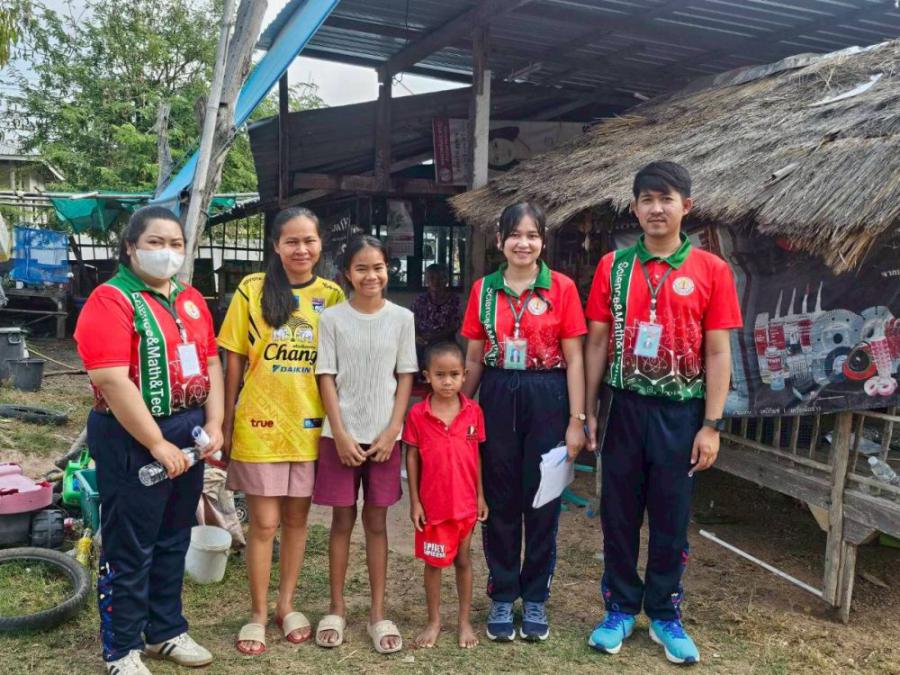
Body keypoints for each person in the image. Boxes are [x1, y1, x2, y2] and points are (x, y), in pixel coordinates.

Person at [584, 161, 742, 664]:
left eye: (666, 199)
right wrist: (587, 409)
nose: (656, 208)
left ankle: (665, 614)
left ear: (685, 206)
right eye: (647, 200)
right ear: (634, 208)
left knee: (671, 518)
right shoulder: (613, 267)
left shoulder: (712, 270)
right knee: (619, 514)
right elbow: (597, 343)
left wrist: (711, 425)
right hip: (622, 407)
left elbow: (718, 352)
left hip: (681, 412)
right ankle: (619, 609)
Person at [74, 206, 224, 675]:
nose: (167, 252)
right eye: (155, 242)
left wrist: (217, 423)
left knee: (174, 535)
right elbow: (112, 379)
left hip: (188, 429)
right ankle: (122, 648)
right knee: (131, 543)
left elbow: (211, 362)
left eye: (175, 243)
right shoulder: (111, 300)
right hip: (131, 435)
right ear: (130, 247)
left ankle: (165, 631)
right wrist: (157, 443)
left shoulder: (190, 298)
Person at [217, 207, 344, 655]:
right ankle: (256, 613)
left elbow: (337, 365)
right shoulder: (251, 290)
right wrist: (227, 422)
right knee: (264, 524)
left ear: (320, 244)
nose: (301, 249)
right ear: (276, 245)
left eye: (309, 240)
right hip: (258, 426)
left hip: (309, 429)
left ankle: (285, 605)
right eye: (292, 241)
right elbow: (233, 360)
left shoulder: (331, 296)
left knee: (296, 522)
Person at [460, 202, 588, 642]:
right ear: (500, 240)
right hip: (497, 393)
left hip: (548, 395)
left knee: (543, 499)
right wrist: (460, 411)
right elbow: (474, 357)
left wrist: (576, 420)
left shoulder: (562, 288)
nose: (523, 243)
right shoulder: (484, 290)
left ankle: (534, 596)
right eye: (515, 234)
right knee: (499, 498)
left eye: (532, 235)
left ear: (543, 241)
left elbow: (575, 359)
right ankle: (502, 592)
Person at [312, 235, 418, 654]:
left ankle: (377, 613)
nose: (371, 275)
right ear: (347, 274)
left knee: (376, 523)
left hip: (384, 439)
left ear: (388, 269)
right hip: (339, 436)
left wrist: (393, 430)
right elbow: (325, 375)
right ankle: (336, 608)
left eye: (378, 267)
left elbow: (406, 375)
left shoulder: (402, 318)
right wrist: (338, 432)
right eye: (361, 268)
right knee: (341, 521)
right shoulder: (332, 319)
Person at [404, 341, 489, 650]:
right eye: (440, 375)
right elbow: (411, 456)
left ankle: (464, 621)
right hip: (433, 506)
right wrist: (415, 501)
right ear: (427, 376)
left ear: (465, 375)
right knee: (434, 563)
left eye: (454, 374)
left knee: (463, 560)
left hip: (465, 505)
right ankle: (434, 621)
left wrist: (480, 496)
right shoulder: (418, 414)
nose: (448, 382)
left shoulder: (473, 412)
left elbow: (476, 455)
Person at [412, 263, 461, 367]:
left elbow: (455, 325)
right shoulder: (420, 300)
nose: (435, 282)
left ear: (446, 280)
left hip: (446, 343)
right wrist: (417, 336)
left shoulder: (454, 300)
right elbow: (412, 321)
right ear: (426, 280)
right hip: (423, 342)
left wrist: (434, 337)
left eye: (440, 278)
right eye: (431, 278)